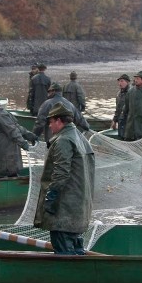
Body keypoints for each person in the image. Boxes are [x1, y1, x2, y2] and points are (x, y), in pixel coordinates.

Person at [34, 103, 95, 255]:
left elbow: (61, 173)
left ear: (59, 121)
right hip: (78, 209)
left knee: (64, 254)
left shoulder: (63, 140)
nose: (49, 125)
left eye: (51, 121)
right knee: (77, 251)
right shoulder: (80, 138)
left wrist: (50, 198)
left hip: (64, 211)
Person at [0, 96, 37, 179]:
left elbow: (13, 131)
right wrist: (31, 136)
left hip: (3, 160)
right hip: (7, 161)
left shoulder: (0, 116)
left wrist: (24, 144)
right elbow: (18, 128)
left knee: (1, 177)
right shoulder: (6, 114)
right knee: (10, 174)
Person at [121, 70, 142, 141]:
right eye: (135, 78)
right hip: (130, 124)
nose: (135, 80)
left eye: (138, 79)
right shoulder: (130, 91)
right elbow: (126, 106)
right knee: (128, 139)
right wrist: (122, 116)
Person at [111, 73, 131, 139]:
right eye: (119, 81)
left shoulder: (131, 93)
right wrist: (114, 120)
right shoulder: (119, 94)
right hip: (120, 121)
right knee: (121, 137)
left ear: (127, 82)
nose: (120, 83)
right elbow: (117, 109)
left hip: (128, 122)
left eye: (122, 81)